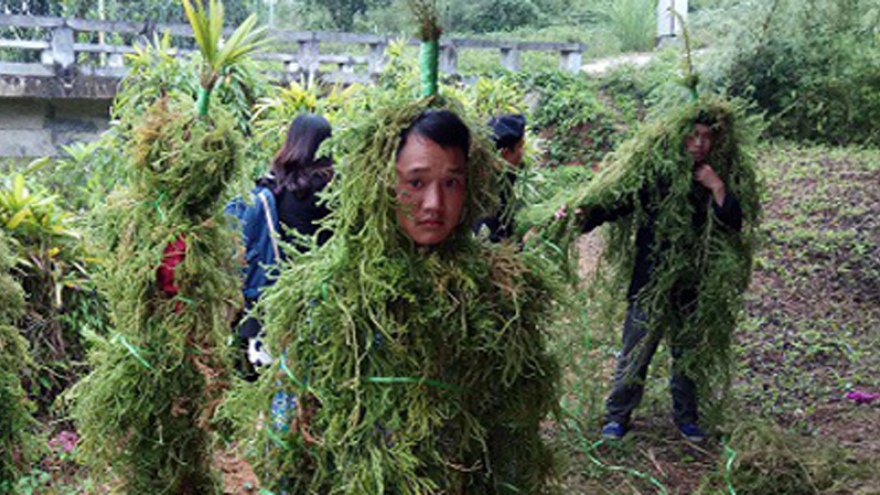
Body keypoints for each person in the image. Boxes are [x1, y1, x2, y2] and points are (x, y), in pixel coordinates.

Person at [233, 103, 560, 494]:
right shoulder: (330, 298)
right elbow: (287, 441)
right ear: (382, 184)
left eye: (452, 183)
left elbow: (512, 437)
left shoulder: (498, 300)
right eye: (416, 182)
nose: (434, 203)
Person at [556, 105, 758, 442]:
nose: (699, 143)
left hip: (693, 282)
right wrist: (579, 216)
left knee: (688, 353)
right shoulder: (657, 175)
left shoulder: (715, 177)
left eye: (706, 137)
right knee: (636, 350)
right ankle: (617, 415)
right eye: (693, 136)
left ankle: (687, 418)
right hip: (650, 280)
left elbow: (734, 223)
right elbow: (618, 203)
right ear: (680, 137)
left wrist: (717, 187)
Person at [225, 113, 333, 376]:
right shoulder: (330, 191)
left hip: (268, 303)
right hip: (318, 305)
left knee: (275, 383)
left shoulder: (273, 185)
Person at [473, 114, 526, 243]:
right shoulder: (487, 192)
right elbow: (488, 241)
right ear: (505, 153)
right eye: (520, 147)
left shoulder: (506, 174)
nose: (522, 154)